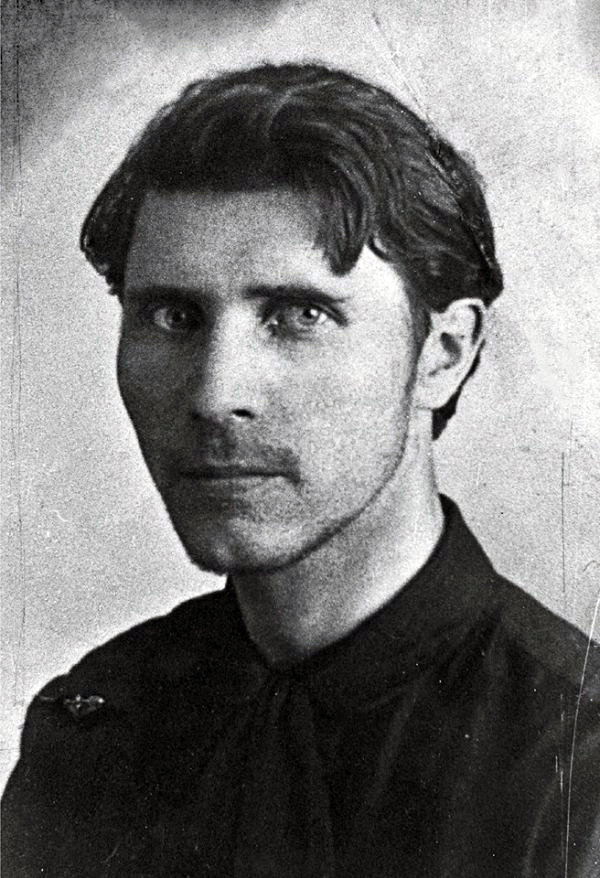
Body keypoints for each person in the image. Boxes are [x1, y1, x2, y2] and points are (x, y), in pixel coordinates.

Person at [2, 62, 599, 878]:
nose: (216, 395)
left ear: (444, 354)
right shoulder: (91, 728)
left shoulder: (577, 773)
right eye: (173, 316)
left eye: (299, 315)